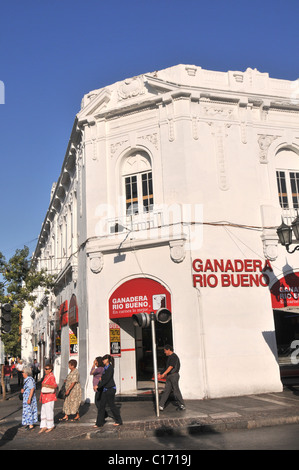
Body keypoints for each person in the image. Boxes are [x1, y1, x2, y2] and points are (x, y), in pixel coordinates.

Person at [94, 354, 122, 428]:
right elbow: (103, 377)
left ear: (107, 360)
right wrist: (101, 379)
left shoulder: (110, 368)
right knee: (101, 406)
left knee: (112, 405)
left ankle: (119, 421)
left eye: (104, 359)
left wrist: (98, 386)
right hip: (105, 389)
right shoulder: (105, 368)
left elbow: (107, 379)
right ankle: (99, 423)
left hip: (110, 389)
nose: (102, 361)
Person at [158, 345, 186, 411]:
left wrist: (163, 374)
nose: (165, 352)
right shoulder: (169, 357)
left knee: (176, 390)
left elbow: (171, 367)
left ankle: (182, 405)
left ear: (169, 350)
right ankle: (161, 405)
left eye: (165, 351)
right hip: (169, 376)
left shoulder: (174, 356)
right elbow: (166, 368)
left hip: (174, 375)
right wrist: (161, 373)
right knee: (167, 390)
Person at [39, 364, 57, 433]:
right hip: (44, 397)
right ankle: (44, 425)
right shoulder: (46, 376)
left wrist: (46, 385)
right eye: (45, 369)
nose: (45, 370)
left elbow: (54, 386)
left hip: (49, 397)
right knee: (43, 411)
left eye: (47, 369)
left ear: (50, 370)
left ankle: (50, 425)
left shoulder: (52, 377)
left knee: (49, 411)